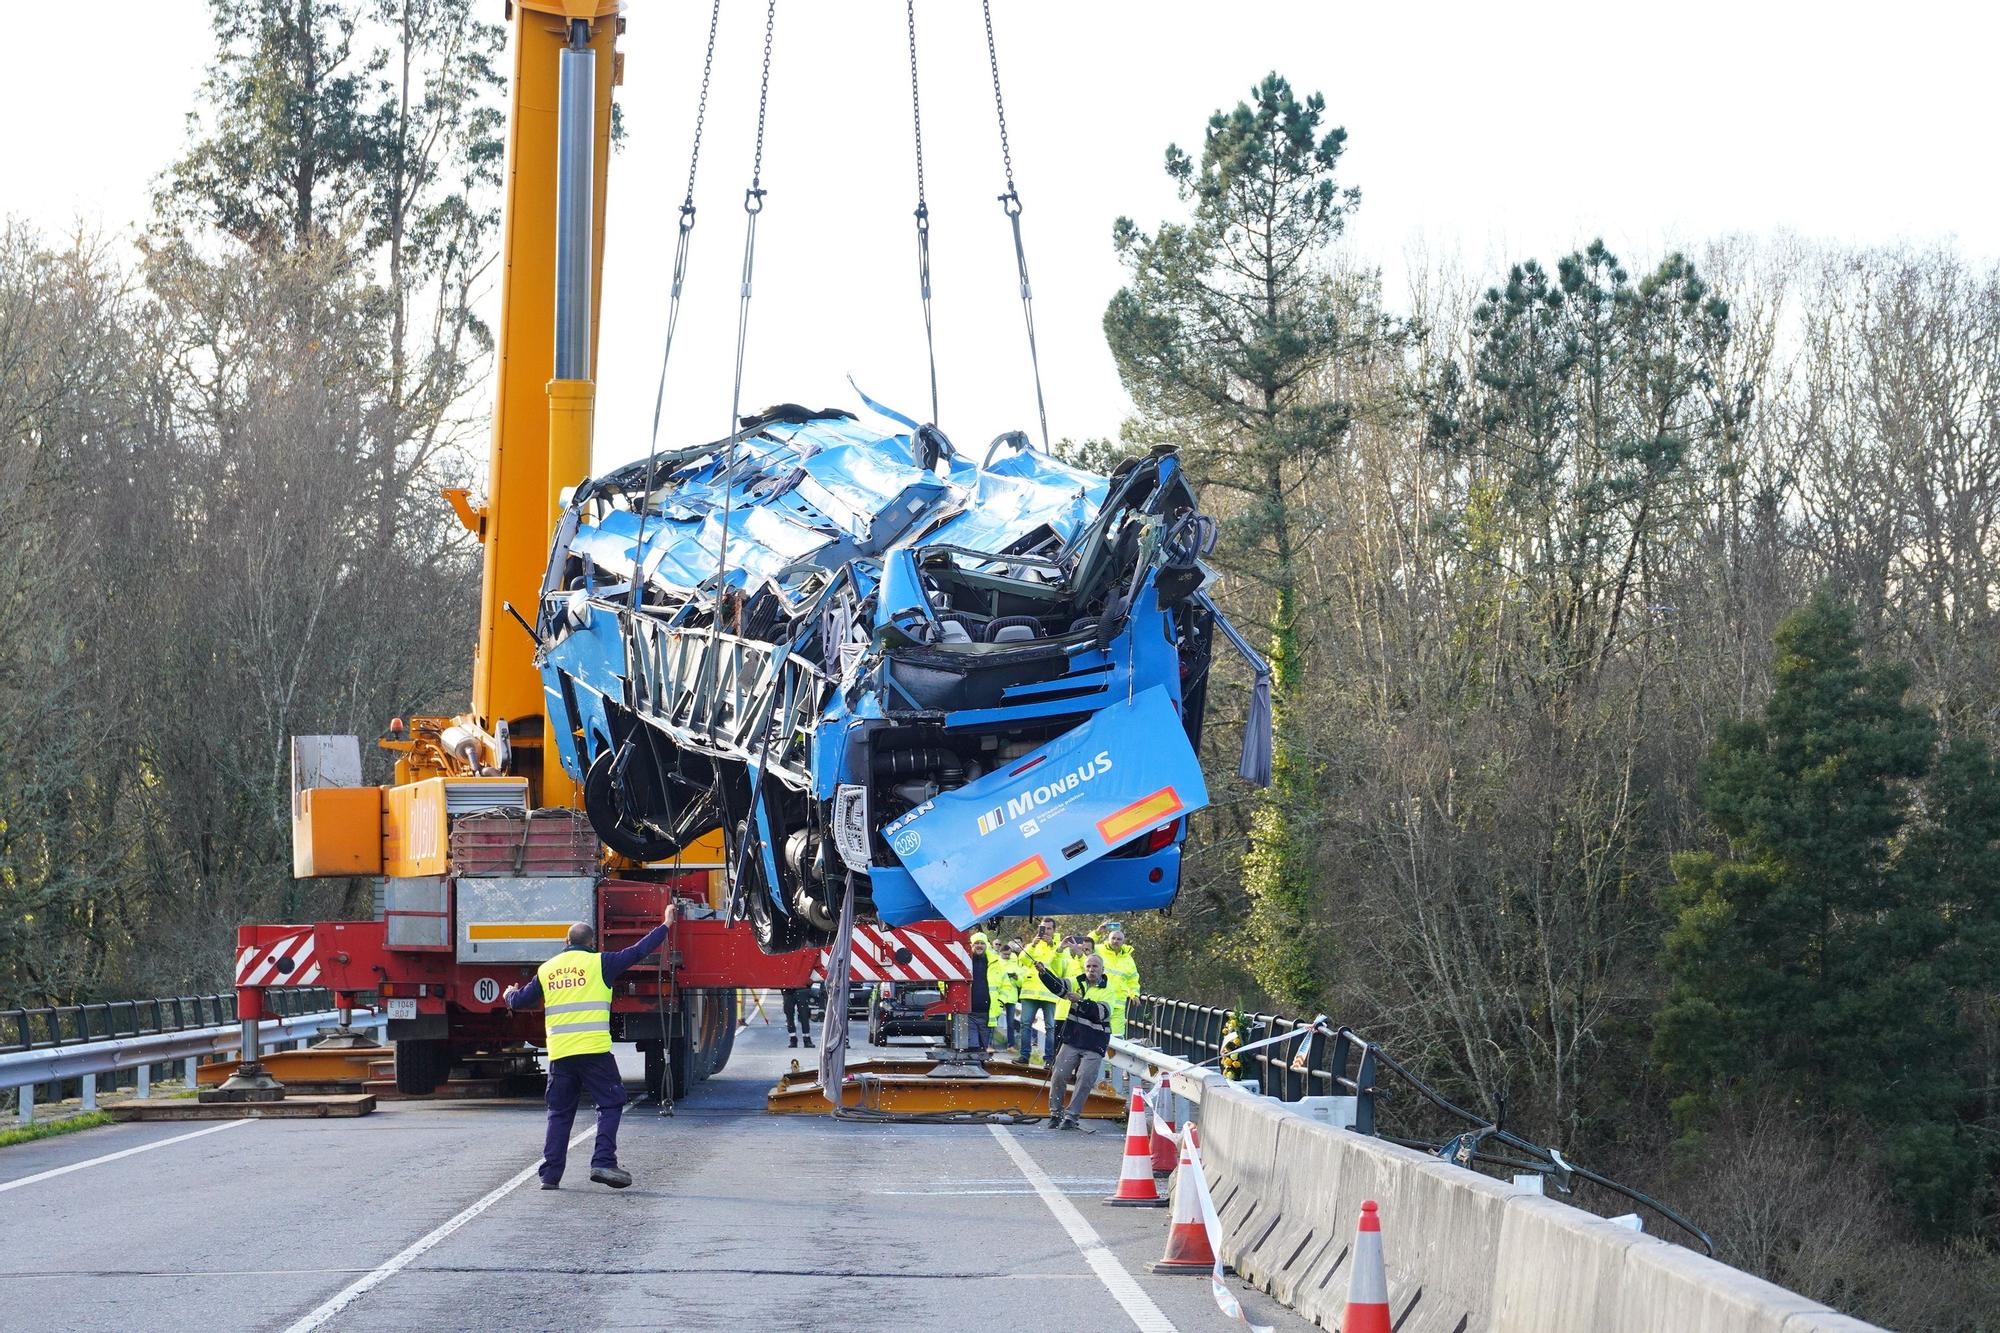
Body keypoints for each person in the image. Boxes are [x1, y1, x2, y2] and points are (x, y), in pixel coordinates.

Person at [504, 902, 677, 1190]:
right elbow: (639, 951)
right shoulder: (600, 963)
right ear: (591, 943)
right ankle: (603, 1162)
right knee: (611, 1102)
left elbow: (520, 1001)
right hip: (594, 1052)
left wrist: (509, 995)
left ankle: (550, 1176)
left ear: (566, 942)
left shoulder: (548, 970)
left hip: (561, 1054)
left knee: (559, 1113)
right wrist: (666, 925)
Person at [1028, 950, 1118, 1130]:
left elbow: (1101, 1013)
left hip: (1094, 1043)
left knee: (1084, 1078)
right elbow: (1058, 986)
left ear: (1102, 969)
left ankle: (1071, 1117)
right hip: (1073, 1039)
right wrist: (1044, 973)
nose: (1091, 970)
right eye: (1088, 966)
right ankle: (1055, 1113)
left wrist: (1081, 1001)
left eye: (1095, 967)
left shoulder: (1109, 990)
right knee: (1059, 1074)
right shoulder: (1076, 982)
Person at [1015, 919, 1064, 1065]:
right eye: (1043, 928)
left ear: (1054, 931)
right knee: (1025, 1024)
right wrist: (1033, 944)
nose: (1046, 931)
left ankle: (1049, 1059)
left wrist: (1053, 947)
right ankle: (1024, 1056)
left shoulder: (1058, 948)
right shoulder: (1033, 945)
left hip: (1049, 993)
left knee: (1050, 1027)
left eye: (1049, 929)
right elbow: (1022, 959)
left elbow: (1060, 969)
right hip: (1030, 992)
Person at [1095, 924, 1141, 1037]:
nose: (1115, 941)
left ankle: (1115, 1055)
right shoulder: (1098, 950)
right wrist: (1097, 933)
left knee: (1117, 1036)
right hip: (1100, 1001)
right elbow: (1086, 944)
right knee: (1096, 1034)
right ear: (1108, 939)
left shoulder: (1128, 959)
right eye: (1113, 938)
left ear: (1123, 941)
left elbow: (1133, 979)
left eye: (1119, 939)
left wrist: (1134, 994)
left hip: (1118, 1004)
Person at [993, 941, 1024, 1047]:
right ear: (1000, 953)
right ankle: (989, 1043)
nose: (1007, 956)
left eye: (1008, 954)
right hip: (999, 996)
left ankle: (1011, 1044)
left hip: (1011, 997)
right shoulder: (995, 963)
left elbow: (1021, 983)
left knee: (1010, 1023)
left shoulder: (1014, 964)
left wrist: (1016, 978)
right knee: (994, 1021)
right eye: (1005, 954)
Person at [967, 933, 992, 1050]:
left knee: (984, 1047)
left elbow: (1004, 984)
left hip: (987, 1012)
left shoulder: (994, 963)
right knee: (973, 1047)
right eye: (976, 943)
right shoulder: (964, 961)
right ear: (971, 945)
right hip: (969, 1011)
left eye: (982, 943)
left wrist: (1001, 1001)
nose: (979, 946)